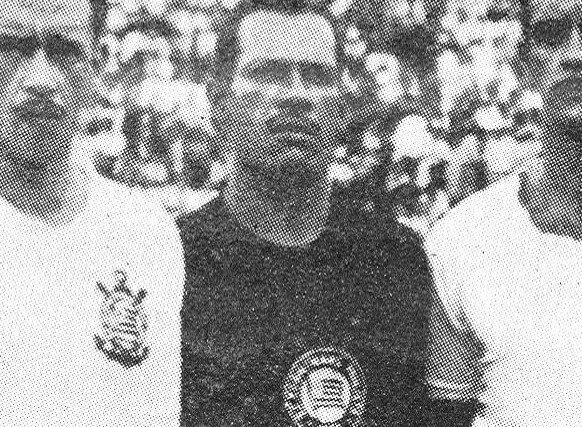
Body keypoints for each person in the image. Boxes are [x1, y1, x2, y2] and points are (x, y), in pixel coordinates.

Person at [177, 0, 432, 425]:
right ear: (219, 105)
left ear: (344, 108)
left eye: (316, 77)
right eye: (268, 73)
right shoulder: (179, 258)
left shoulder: (395, 258)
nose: (295, 95)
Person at [0, 1, 184, 425]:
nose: (41, 79)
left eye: (65, 51)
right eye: (11, 46)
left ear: (98, 65)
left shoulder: (146, 232)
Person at [426, 0, 582, 426]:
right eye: (553, 33)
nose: (576, 52)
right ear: (526, 65)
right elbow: (444, 415)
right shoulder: (461, 242)